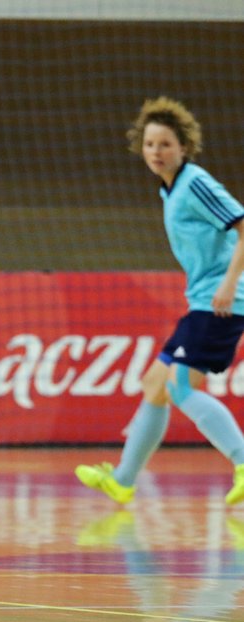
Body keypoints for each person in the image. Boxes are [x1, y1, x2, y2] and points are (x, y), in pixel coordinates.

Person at [76, 96, 244, 506]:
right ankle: (123, 479)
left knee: (181, 386)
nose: (156, 152)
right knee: (156, 384)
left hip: (222, 301)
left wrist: (228, 284)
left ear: (183, 146)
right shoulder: (169, 192)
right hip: (203, 301)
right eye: (150, 144)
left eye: (165, 143)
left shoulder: (195, 183)